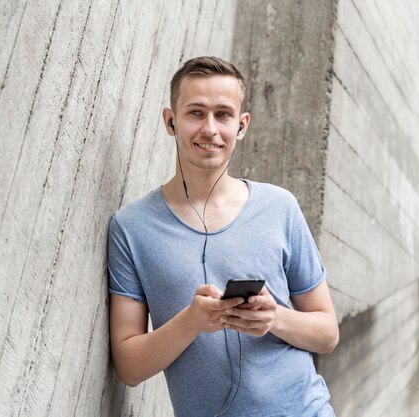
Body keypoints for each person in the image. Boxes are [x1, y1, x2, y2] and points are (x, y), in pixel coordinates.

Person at [107, 56, 339, 417]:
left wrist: (274, 318)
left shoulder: (280, 207)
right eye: (195, 113)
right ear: (170, 121)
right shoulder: (131, 227)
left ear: (242, 125)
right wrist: (191, 323)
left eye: (223, 115)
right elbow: (128, 366)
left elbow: (327, 334)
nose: (210, 129)